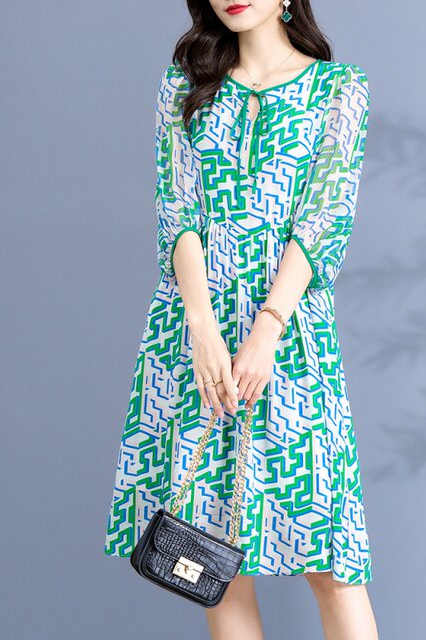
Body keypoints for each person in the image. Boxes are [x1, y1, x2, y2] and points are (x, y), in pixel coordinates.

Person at [104, 1, 379, 638]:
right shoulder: (184, 84)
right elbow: (177, 210)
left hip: (290, 338)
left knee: (333, 568)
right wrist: (202, 331)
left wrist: (266, 330)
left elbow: (325, 217)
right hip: (190, 333)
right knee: (208, 563)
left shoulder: (340, 88)